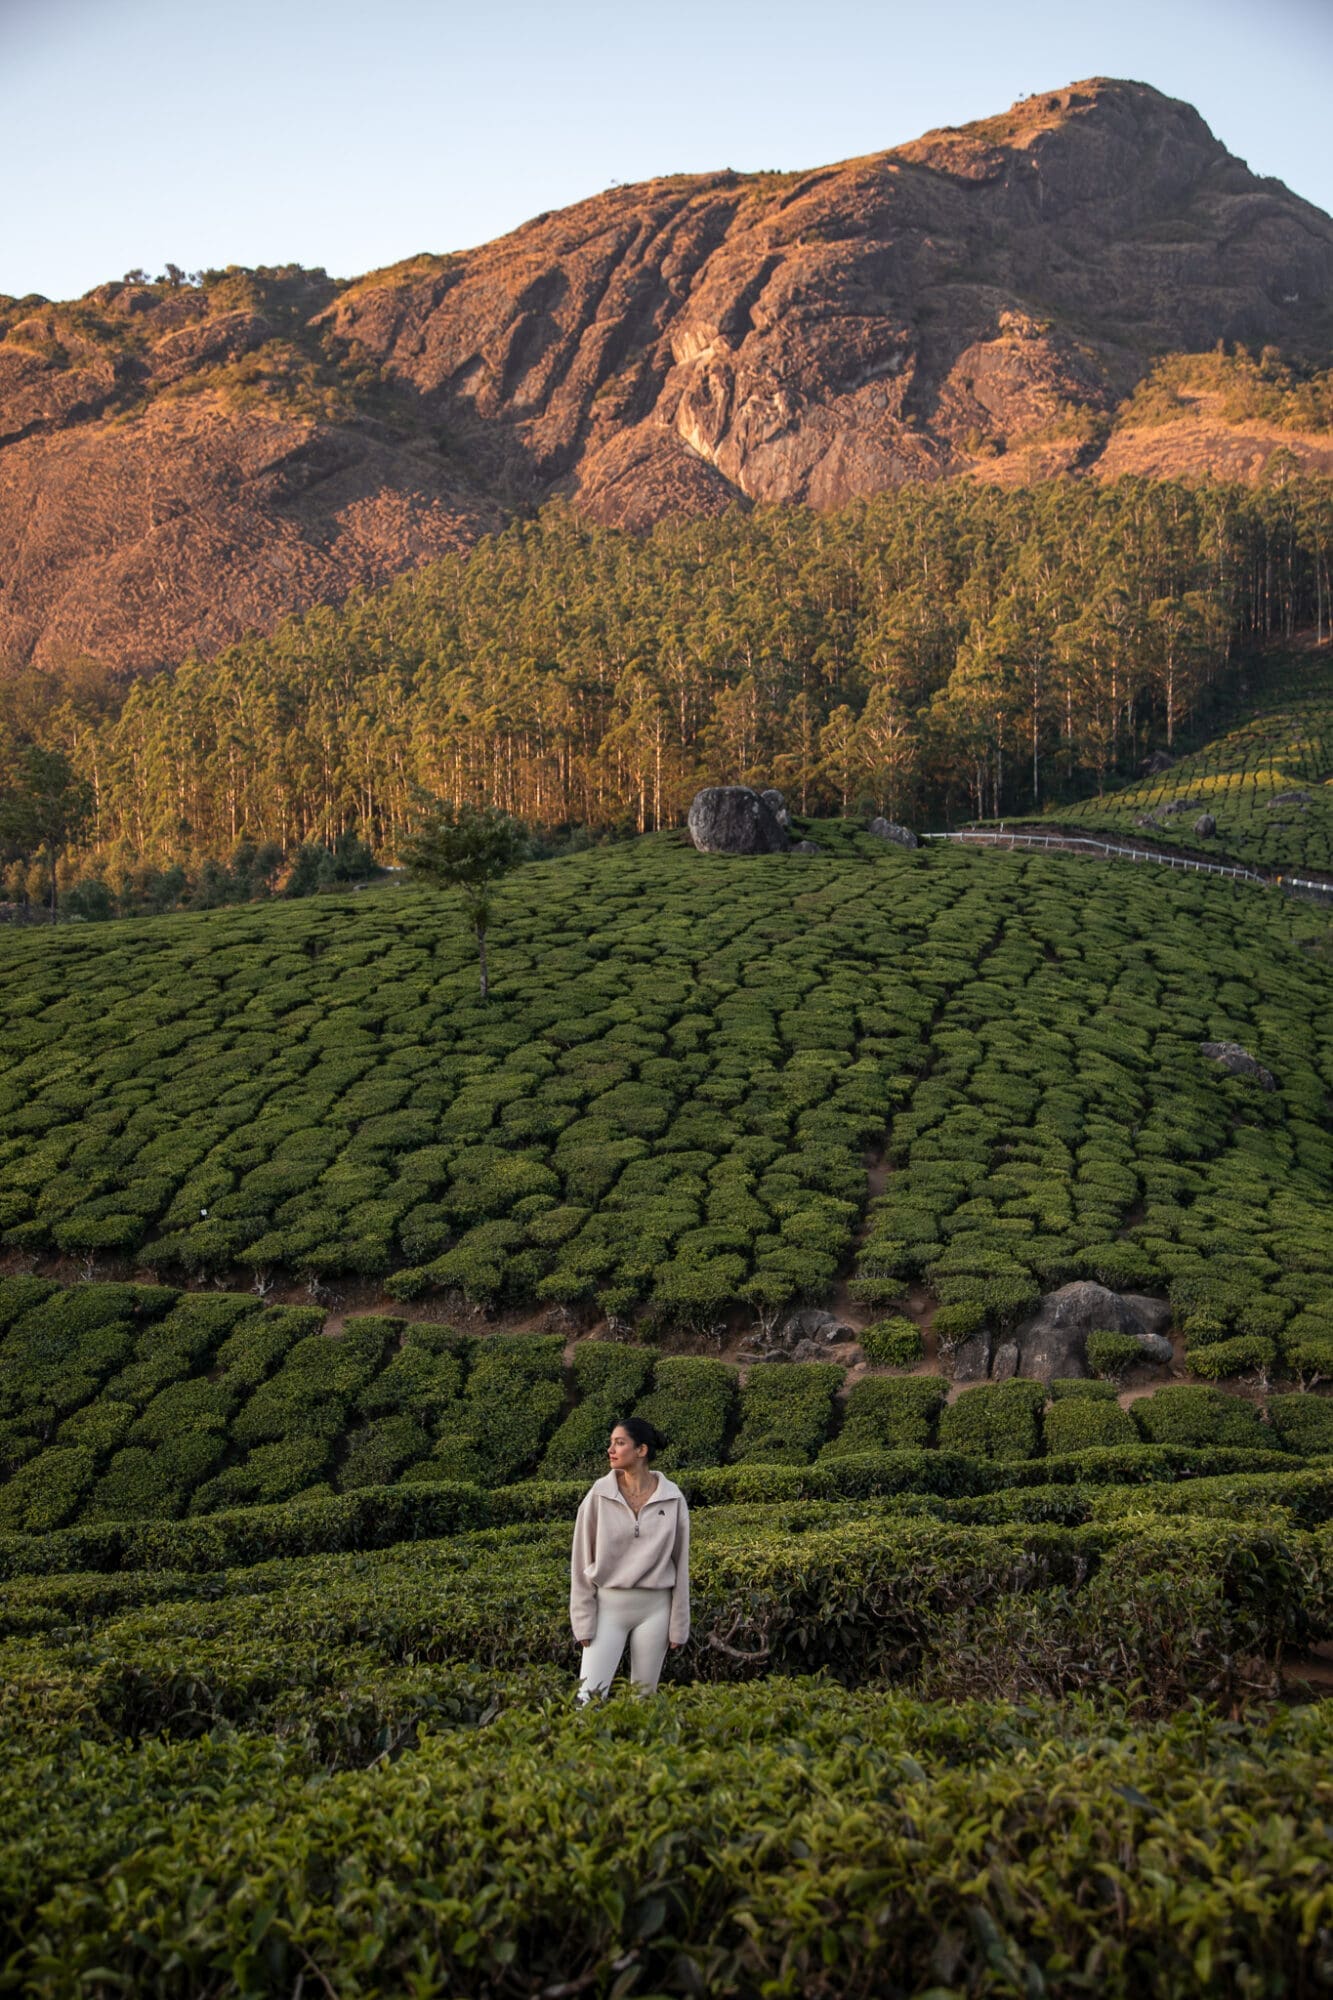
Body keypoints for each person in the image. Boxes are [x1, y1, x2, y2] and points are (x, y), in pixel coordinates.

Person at [569, 1416, 690, 1702]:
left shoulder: (672, 1498)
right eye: (611, 1443)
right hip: (608, 1608)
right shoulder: (598, 1495)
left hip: (656, 1610)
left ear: (641, 1450)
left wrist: (679, 1624)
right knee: (588, 1699)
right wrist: (582, 1619)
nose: (611, 1449)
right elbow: (580, 1559)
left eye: (620, 1443)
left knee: (643, 1701)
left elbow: (681, 1564)